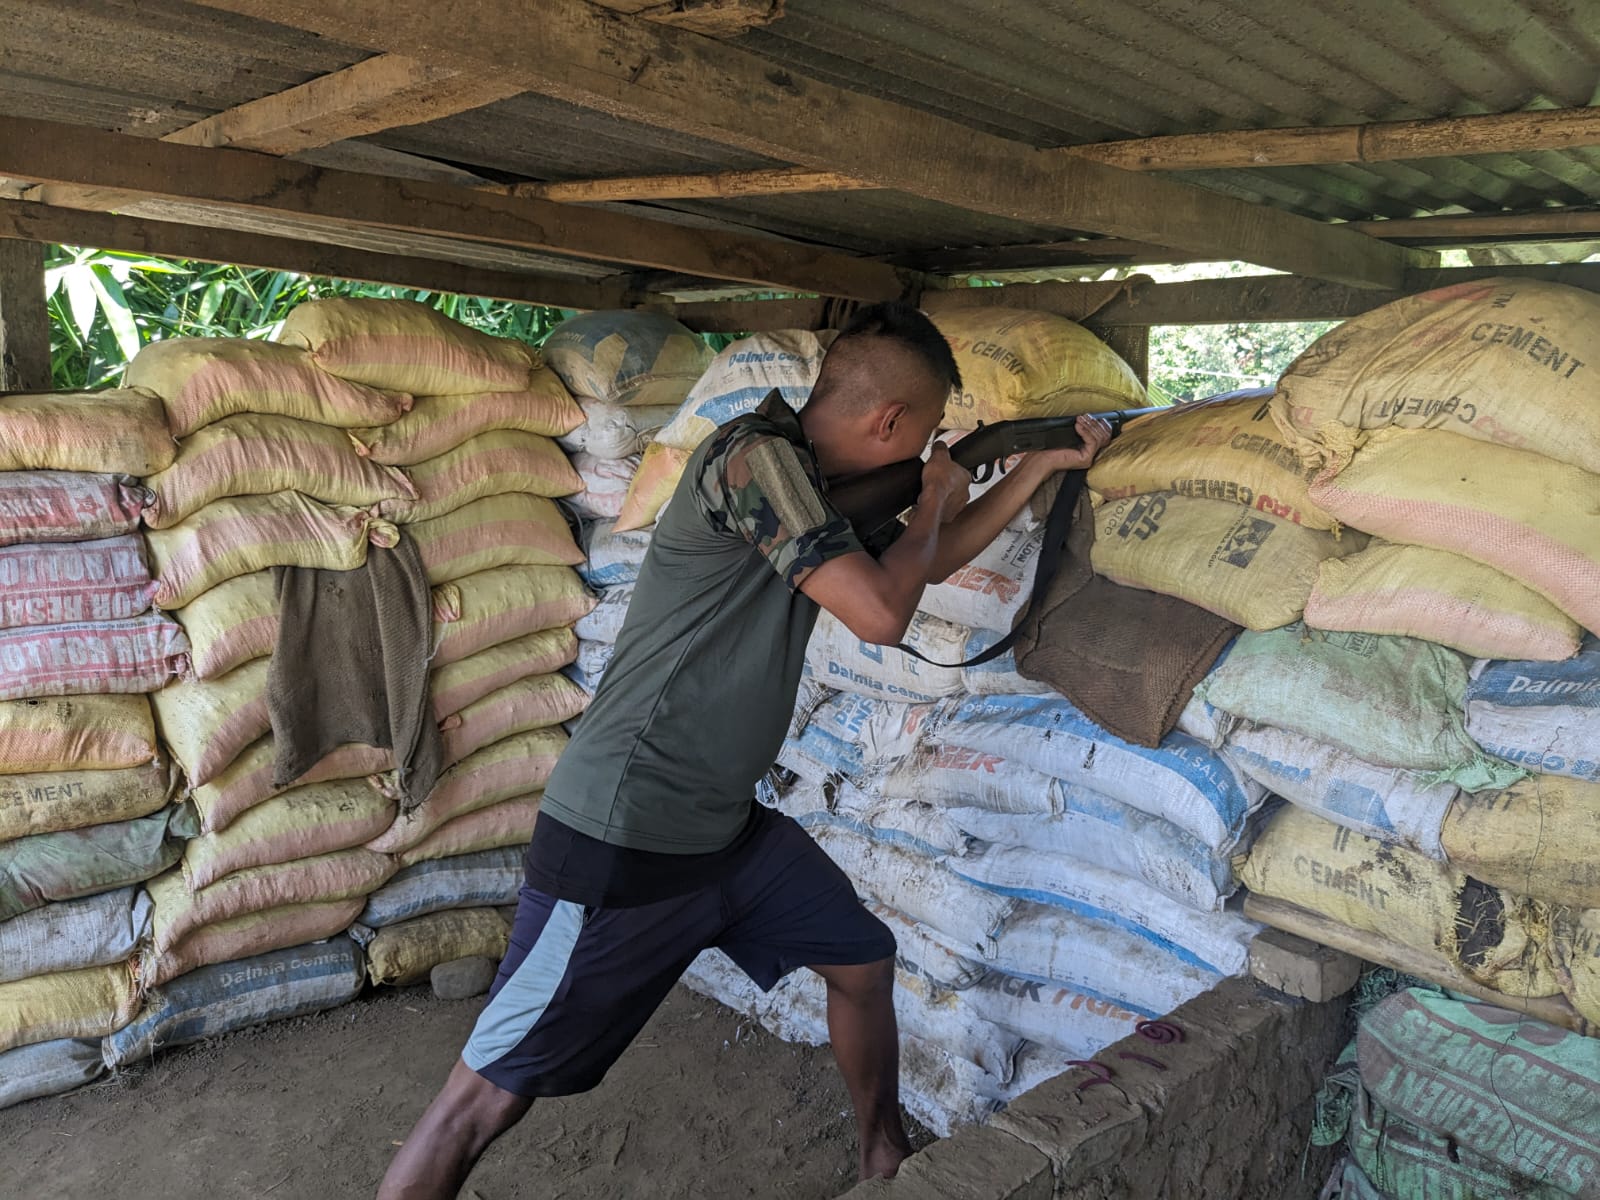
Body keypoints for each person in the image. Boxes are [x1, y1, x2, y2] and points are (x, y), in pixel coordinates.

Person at [376, 302, 1112, 1199]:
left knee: (860, 958)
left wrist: (1033, 467)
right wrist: (931, 496)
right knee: (482, 1099)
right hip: (622, 832)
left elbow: (921, 564)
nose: (927, 451)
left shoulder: (809, 485)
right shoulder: (753, 461)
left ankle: (884, 1154)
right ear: (890, 424)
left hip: (721, 831)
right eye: (924, 433)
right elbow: (883, 614)